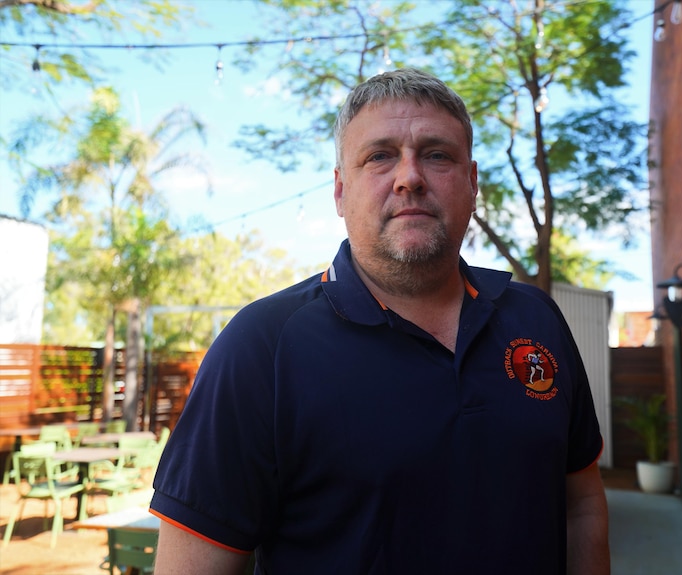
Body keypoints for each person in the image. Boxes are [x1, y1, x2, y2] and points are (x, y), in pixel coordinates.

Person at [150, 67, 610, 575]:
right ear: (340, 192)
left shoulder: (536, 318)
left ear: (472, 183)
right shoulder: (261, 346)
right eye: (379, 156)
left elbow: (582, 505)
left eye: (436, 155)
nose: (409, 177)